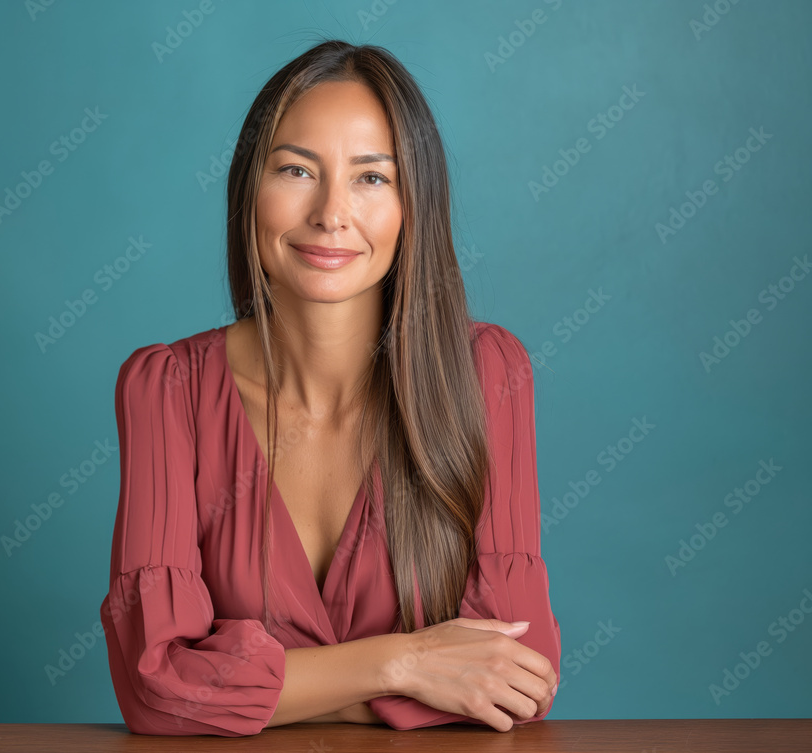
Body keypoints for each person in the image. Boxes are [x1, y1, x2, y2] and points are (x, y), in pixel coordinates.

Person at [99, 38, 560, 737]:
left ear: (415, 204)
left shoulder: (488, 372)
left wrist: (265, 691)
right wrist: (404, 663)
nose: (330, 213)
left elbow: (517, 675)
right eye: (295, 170)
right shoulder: (169, 390)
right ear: (249, 188)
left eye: (372, 178)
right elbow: (155, 685)